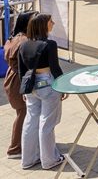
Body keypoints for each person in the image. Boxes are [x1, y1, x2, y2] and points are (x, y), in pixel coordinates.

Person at [19, 13, 65, 171]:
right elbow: (55, 68)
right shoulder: (49, 44)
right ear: (44, 25)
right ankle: (49, 160)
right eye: (50, 21)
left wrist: (24, 91)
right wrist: (63, 86)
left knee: (30, 122)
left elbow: (21, 70)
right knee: (47, 124)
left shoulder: (23, 45)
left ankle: (28, 159)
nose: (53, 23)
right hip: (48, 84)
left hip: (30, 85)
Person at [4, 11, 36, 159]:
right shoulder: (24, 41)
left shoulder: (14, 37)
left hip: (12, 79)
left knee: (23, 113)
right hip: (18, 80)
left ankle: (24, 144)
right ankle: (15, 148)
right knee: (23, 113)